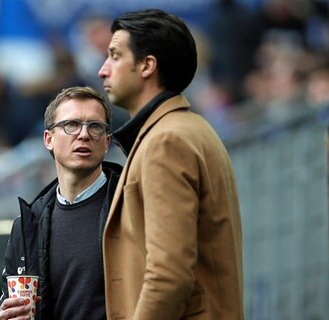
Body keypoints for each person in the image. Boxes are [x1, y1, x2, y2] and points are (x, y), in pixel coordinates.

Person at [97, 9, 244, 319]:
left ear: (147, 65)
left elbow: (169, 275)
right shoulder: (186, 128)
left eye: (114, 56)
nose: (102, 70)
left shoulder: (167, 141)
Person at [0, 86, 122, 320]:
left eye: (95, 126)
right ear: (48, 139)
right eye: (71, 125)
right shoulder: (27, 226)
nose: (84, 134)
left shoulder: (130, 204)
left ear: (106, 142)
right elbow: (8, 303)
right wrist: (5, 313)